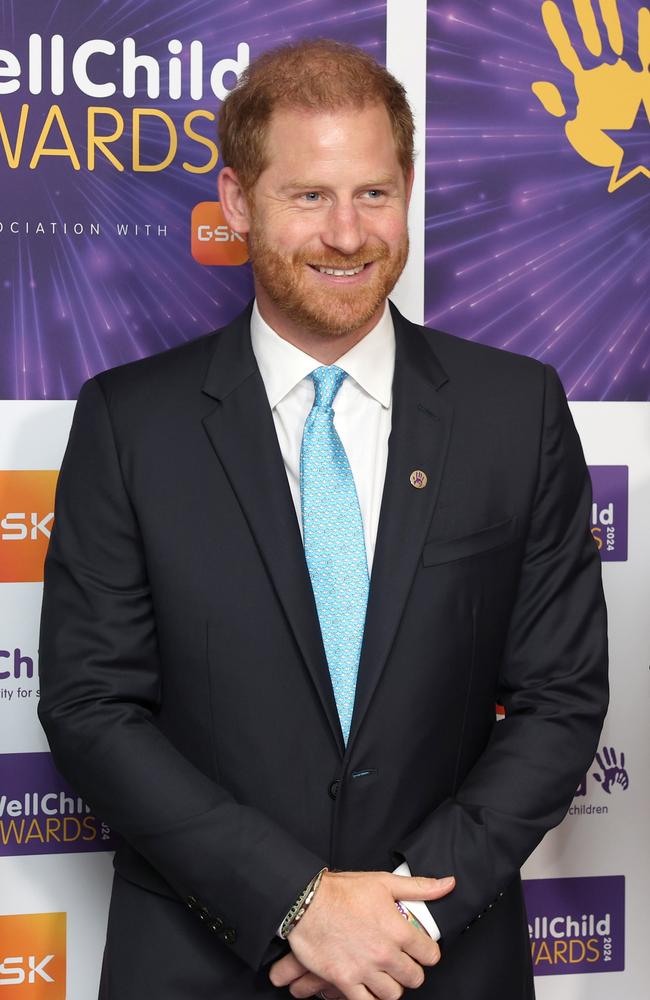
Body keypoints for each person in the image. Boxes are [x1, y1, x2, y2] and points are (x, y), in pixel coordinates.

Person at [38, 39, 608, 1000]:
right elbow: (92, 708)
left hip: (444, 960)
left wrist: (402, 918)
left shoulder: (518, 411)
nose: (347, 234)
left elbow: (560, 699)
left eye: (375, 194)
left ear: (410, 189)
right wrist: (296, 904)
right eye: (308, 196)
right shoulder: (130, 423)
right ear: (236, 201)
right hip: (198, 963)